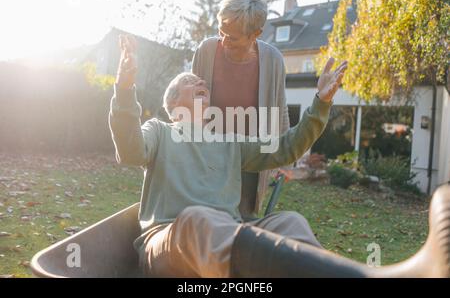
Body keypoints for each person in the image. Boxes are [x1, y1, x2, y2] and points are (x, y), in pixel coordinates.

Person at [109, 35, 450, 278]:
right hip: (169, 243)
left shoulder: (230, 141)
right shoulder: (160, 131)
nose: (202, 82)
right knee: (200, 219)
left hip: (225, 235)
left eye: (203, 82)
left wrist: (321, 104)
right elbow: (129, 149)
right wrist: (125, 89)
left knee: (290, 222)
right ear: (174, 104)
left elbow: (287, 146)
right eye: (191, 82)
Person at [191, 0, 290, 219]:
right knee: (205, 222)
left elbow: (280, 111)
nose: (224, 41)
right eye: (221, 31)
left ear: (256, 33)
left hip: (250, 163)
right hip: (208, 159)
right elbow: (188, 101)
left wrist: (285, 157)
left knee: (243, 223)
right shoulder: (206, 51)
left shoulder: (273, 60)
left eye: (233, 37)